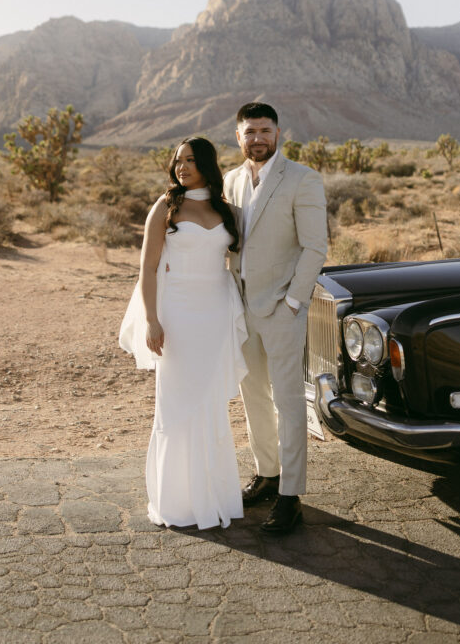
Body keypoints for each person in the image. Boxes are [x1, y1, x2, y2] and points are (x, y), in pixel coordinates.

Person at [119, 136, 247, 529]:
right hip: (176, 315)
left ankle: (214, 497)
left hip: (214, 315)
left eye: (190, 160)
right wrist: (153, 319)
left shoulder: (226, 211)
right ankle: (176, 501)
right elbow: (148, 268)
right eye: (177, 161)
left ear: (207, 164)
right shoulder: (166, 206)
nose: (182, 167)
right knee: (176, 406)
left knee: (210, 405)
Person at [224, 102, 327, 534]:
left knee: (288, 402)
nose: (258, 139)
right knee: (254, 399)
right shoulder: (230, 181)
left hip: (282, 308)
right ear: (239, 137)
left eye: (265, 130)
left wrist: (294, 302)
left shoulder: (302, 179)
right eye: (250, 132)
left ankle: (291, 496)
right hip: (242, 307)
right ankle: (267, 474)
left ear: (279, 133)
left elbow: (315, 247)